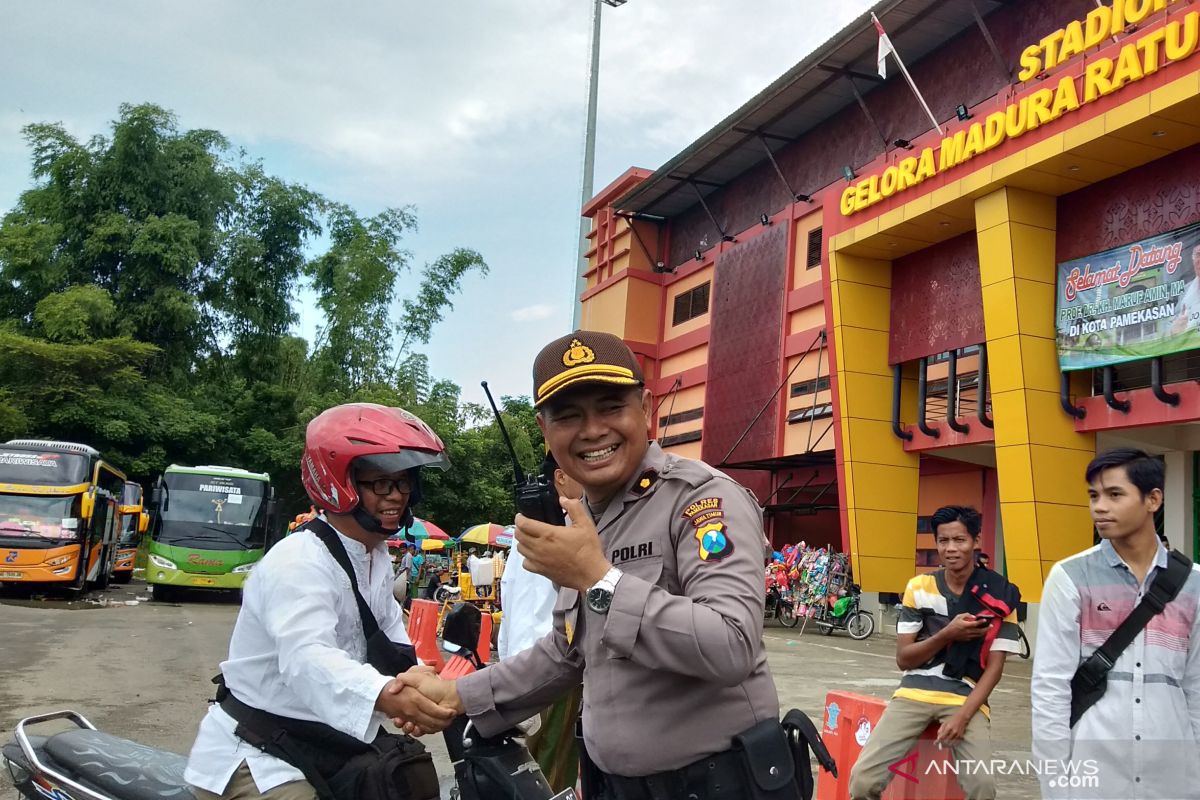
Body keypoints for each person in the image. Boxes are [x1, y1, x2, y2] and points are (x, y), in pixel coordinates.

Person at [395, 330, 790, 799]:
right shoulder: (588, 519)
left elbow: (730, 643)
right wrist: (458, 694)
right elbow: (567, 652)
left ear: (645, 409)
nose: (592, 430)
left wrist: (596, 578)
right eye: (568, 416)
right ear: (545, 432)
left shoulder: (702, 499)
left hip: (718, 785)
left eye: (610, 407)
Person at [184, 403, 457, 800]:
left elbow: (390, 637)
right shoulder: (299, 560)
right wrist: (388, 695)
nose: (396, 496)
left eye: (404, 483)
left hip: (327, 745)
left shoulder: (374, 554)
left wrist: (423, 685)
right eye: (381, 483)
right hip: (262, 757)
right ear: (339, 482)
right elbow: (308, 659)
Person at [1032, 449, 1200, 799]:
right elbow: (1051, 686)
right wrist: (1054, 783)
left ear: (1153, 499)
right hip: (1094, 771)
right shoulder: (1070, 577)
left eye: (1114, 494)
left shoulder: (1193, 584)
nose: (1099, 506)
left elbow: (1196, 685)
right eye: (1094, 496)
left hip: (1172, 776)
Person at [848, 506, 1021, 800]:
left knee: (983, 787)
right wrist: (947, 634)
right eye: (943, 541)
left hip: (965, 698)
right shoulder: (919, 587)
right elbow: (904, 659)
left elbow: (994, 669)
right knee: (863, 781)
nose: (951, 549)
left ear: (976, 541)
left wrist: (963, 717)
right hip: (913, 693)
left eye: (960, 540)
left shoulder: (1000, 595)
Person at [497, 452, 585, 792]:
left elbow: (508, 607)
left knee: (524, 773)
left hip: (516, 672)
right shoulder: (572, 533)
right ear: (560, 479)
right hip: (553, 673)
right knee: (551, 775)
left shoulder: (523, 535)